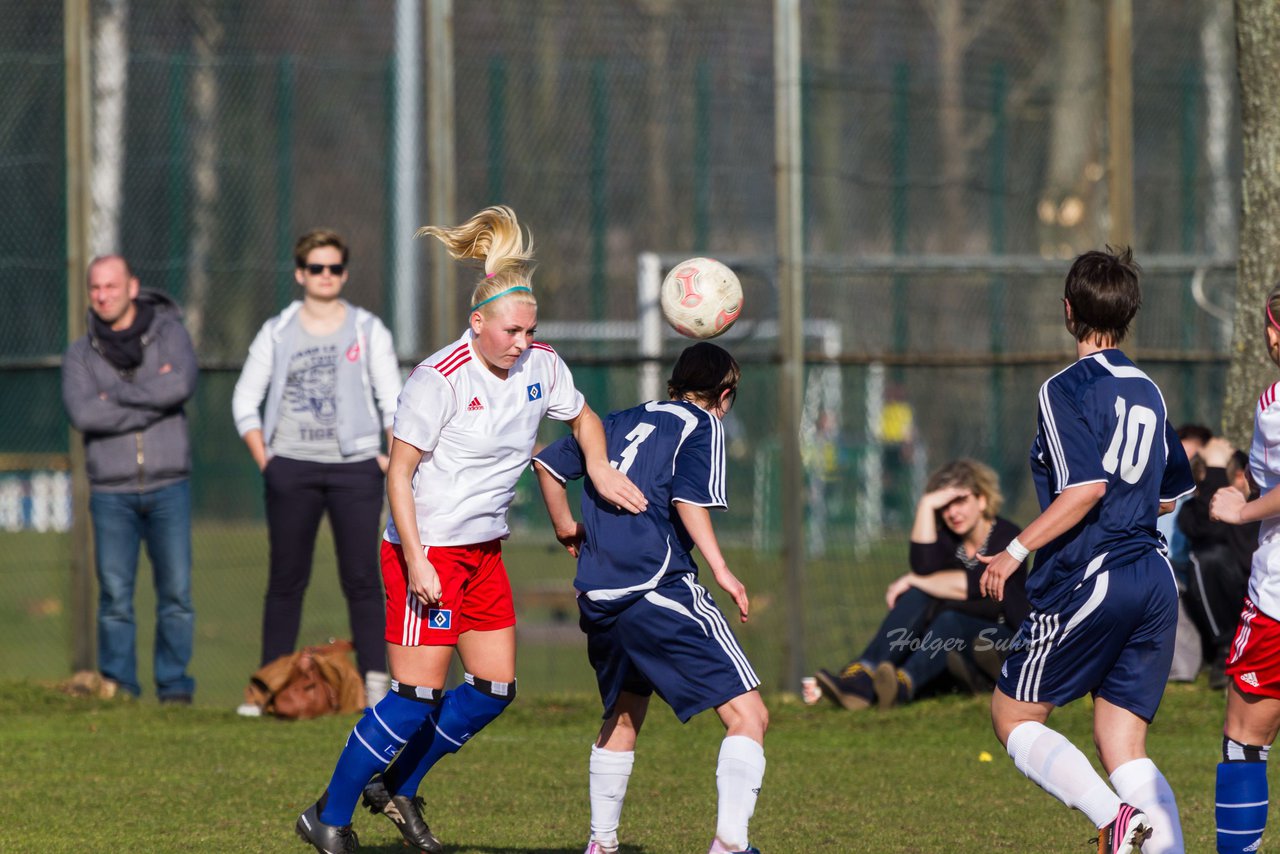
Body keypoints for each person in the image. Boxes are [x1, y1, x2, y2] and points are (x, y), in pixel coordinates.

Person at [294, 206, 646, 854]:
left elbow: (586, 418)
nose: (522, 341)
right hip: (424, 555)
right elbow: (398, 476)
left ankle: (397, 785)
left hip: (484, 553)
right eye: (512, 330)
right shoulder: (439, 379)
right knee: (413, 699)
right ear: (477, 323)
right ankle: (328, 818)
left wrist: (594, 463)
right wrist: (421, 562)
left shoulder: (541, 366)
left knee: (493, 690)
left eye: (530, 330)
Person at [977, 247, 1194, 854]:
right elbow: (1170, 497)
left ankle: (1114, 821)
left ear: (1068, 311)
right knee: (1121, 742)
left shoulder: (1064, 388)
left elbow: (1085, 488)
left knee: (1014, 717)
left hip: (1095, 574)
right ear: (1127, 316)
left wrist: (1013, 551)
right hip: (1153, 577)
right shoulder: (1149, 389)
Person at [532, 342, 766, 854]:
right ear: (724, 396)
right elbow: (688, 501)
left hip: (598, 594)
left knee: (623, 712)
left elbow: (546, 467)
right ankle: (730, 845)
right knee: (749, 715)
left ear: (672, 384)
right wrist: (723, 570)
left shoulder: (616, 419)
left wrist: (564, 527)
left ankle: (602, 843)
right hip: (657, 588)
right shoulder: (702, 425)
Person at [233, 229, 400, 709]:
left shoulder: (368, 329)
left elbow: (392, 400)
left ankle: (374, 685)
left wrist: (389, 458)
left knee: (363, 578)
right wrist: (269, 461)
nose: (324, 277)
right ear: (300, 273)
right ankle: (268, 687)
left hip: (355, 469)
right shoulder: (278, 330)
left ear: (343, 274)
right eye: (315, 268)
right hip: (292, 468)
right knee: (286, 580)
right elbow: (245, 398)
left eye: (333, 268)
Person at [61, 255, 198, 703]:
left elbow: (179, 386)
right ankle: (120, 687)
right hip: (110, 492)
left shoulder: (171, 334)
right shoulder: (80, 353)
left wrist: (115, 395)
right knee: (115, 597)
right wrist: (150, 399)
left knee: (175, 595)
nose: (102, 295)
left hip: (168, 485)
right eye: (95, 287)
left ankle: (174, 689)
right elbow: (84, 413)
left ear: (132, 287)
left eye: (111, 286)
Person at [813, 459, 1028, 711]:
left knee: (946, 616)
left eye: (960, 501)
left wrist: (916, 580)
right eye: (944, 505)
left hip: (1004, 637)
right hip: (951, 639)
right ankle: (862, 676)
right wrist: (926, 505)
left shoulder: (1007, 535)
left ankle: (903, 684)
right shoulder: (950, 540)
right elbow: (923, 566)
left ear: (981, 500)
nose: (952, 513)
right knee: (919, 595)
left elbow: (977, 585)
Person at [1206, 284, 1280, 854]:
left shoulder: (1274, 407)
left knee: (1245, 740)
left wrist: (1240, 510)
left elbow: (1257, 494)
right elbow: (1258, 477)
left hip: (1278, 601)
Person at [1179, 439, 1257, 689]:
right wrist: (1214, 466)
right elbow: (1211, 528)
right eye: (1203, 485)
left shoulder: (1261, 506)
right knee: (1207, 557)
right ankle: (1226, 649)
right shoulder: (1192, 511)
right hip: (1226, 615)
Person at [1161, 424, 1211, 683]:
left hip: (1191, 573)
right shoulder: (1159, 489)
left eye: (1194, 459)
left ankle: (1183, 666)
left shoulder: (1205, 498)